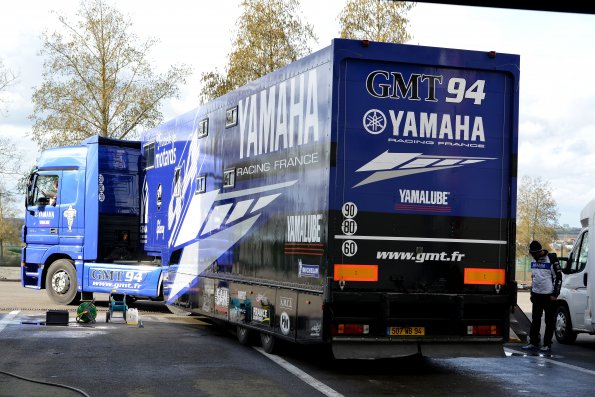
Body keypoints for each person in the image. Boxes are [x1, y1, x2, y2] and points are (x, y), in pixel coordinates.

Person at [522, 240, 563, 353]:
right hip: (536, 295)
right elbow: (534, 277)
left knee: (549, 321)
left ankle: (547, 344)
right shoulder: (533, 259)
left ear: (539, 252)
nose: (533, 256)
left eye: (534, 254)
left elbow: (558, 277)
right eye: (531, 254)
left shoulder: (551, 259)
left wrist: (555, 294)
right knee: (535, 320)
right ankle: (533, 342)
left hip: (548, 296)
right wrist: (532, 293)